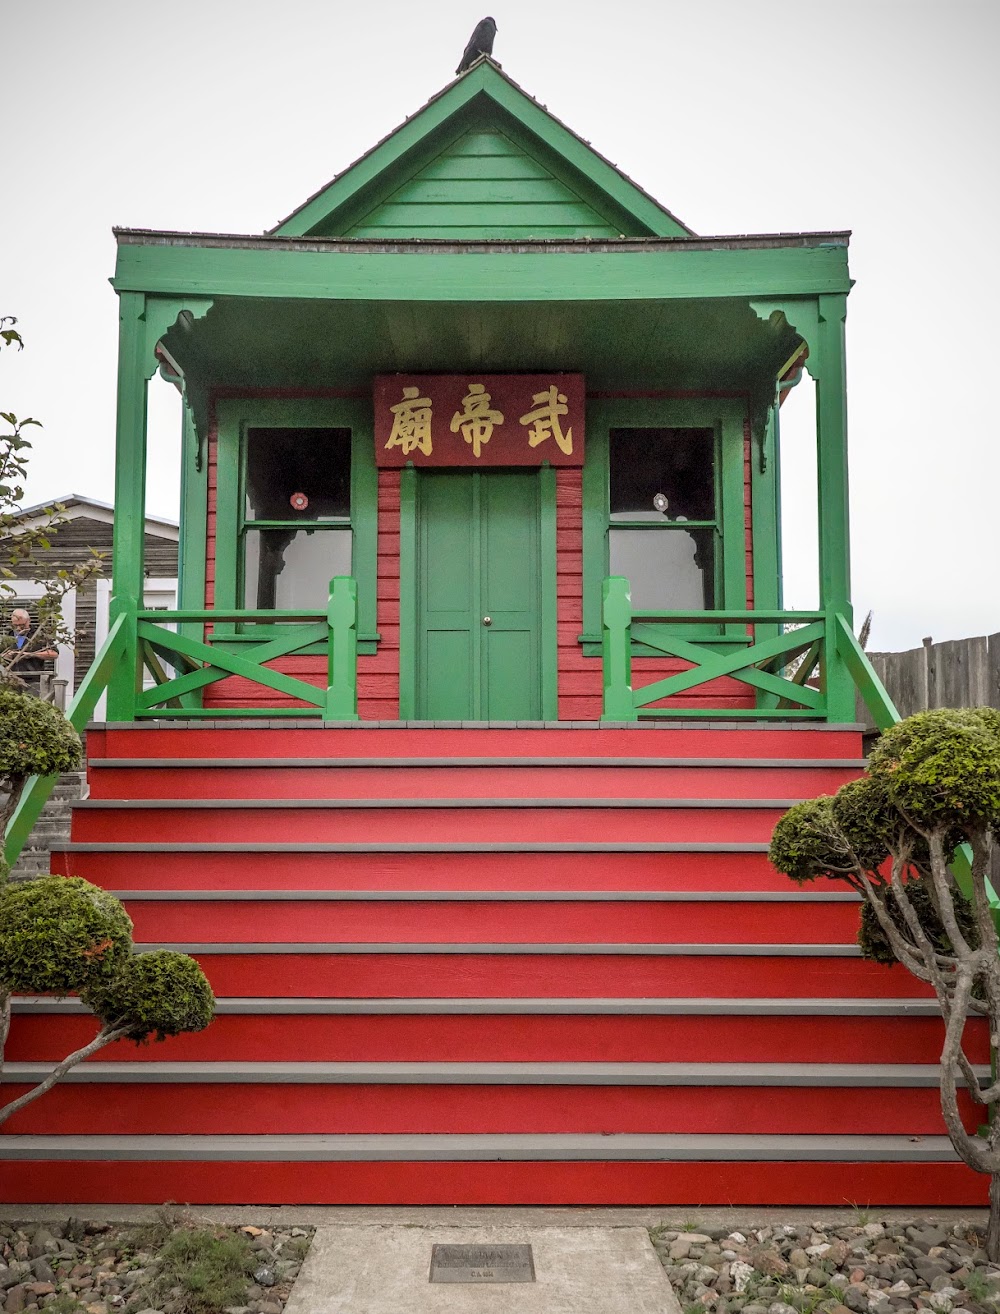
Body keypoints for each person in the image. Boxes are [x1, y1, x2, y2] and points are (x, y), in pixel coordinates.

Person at [5, 607, 58, 695]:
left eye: (22, 625)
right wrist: (6, 656)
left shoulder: (39, 635)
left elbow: (54, 654)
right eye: (15, 625)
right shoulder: (8, 636)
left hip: (33, 681)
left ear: (28, 621)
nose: (18, 628)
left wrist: (31, 654)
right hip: (11, 681)